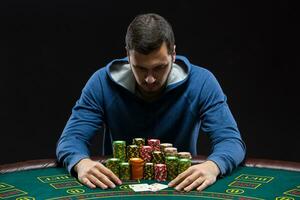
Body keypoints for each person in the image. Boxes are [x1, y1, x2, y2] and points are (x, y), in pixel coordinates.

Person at [56, 13, 246, 192]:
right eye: (140, 68)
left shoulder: (202, 82)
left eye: (159, 68)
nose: (149, 79)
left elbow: (230, 141)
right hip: (118, 189)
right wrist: (81, 163)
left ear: (173, 54)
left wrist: (214, 166)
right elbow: (71, 139)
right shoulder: (101, 82)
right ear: (128, 55)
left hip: (181, 188)